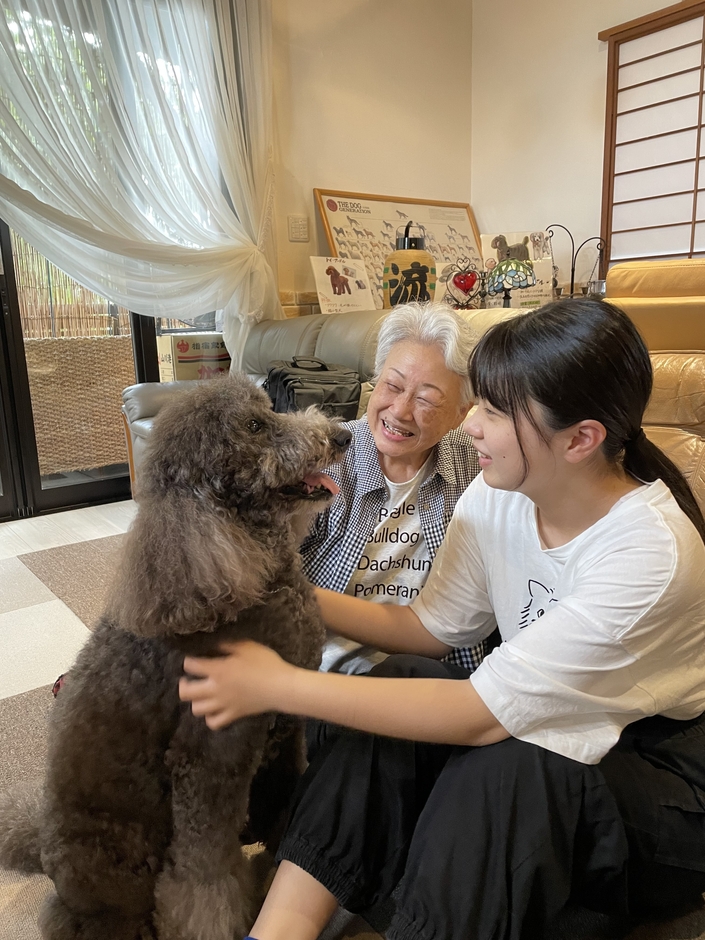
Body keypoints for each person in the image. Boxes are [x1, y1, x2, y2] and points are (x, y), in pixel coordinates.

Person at [180, 298, 705, 940]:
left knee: (509, 759)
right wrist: (285, 597)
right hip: (545, 733)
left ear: (581, 439)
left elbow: (481, 717)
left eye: (489, 409)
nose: (470, 427)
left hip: (658, 782)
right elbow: (428, 630)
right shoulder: (496, 494)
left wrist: (274, 683)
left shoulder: (650, 554)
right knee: (401, 677)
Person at [301, 300, 485, 675]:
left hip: (432, 678)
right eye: (392, 385)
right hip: (320, 674)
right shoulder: (322, 459)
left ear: (460, 414)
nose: (399, 411)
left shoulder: (479, 470)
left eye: (426, 399)